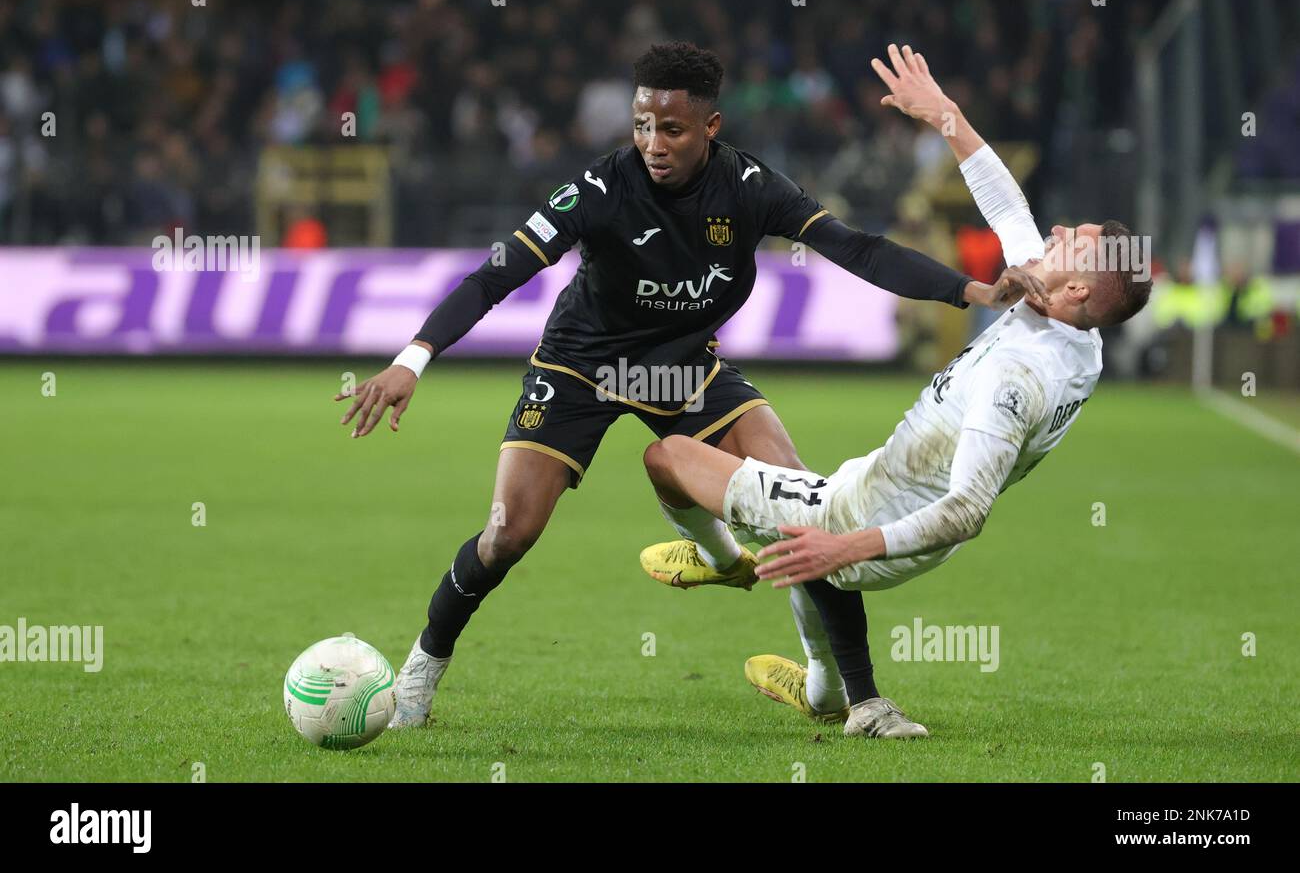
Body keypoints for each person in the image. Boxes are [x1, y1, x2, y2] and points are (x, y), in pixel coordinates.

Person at [336, 41, 1037, 730]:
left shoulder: (751, 187)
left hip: (683, 367)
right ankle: (421, 672)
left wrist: (967, 288)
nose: (653, 142)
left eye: (670, 128)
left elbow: (854, 247)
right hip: (582, 367)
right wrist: (412, 358)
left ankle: (862, 700)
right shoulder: (599, 190)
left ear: (710, 128)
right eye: (642, 125)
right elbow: (498, 273)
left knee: (807, 501)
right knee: (506, 535)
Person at [637, 44, 1152, 739]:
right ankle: (826, 688)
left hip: (869, 519)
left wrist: (841, 548)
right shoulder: (1077, 333)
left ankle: (722, 561)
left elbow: (967, 510)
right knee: (797, 522)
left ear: (1080, 288)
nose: (1056, 232)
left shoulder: (1019, 377)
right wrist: (943, 113)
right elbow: (1010, 205)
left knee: (667, 458)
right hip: (881, 486)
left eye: (1074, 240)